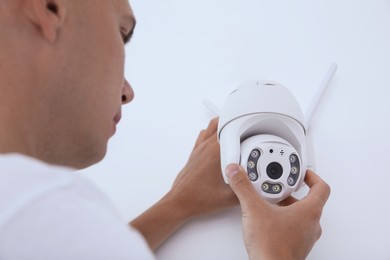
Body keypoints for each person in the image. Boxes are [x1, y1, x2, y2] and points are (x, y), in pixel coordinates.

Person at [0, 0, 330, 259]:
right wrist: (279, 254)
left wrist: (177, 204)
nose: (128, 92)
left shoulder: (21, 219)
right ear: (50, 6)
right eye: (121, 32)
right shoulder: (37, 209)